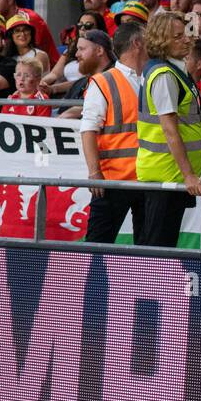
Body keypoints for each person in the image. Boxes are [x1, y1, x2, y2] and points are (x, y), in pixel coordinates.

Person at [136, 10, 201, 248]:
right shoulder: (164, 75)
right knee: (158, 247)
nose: (186, 39)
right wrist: (188, 174)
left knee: (164, 243)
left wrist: (190, 174)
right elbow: (170, 130)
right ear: (161, 41)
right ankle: (149, 286)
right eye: (178, 36)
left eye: (185, 34)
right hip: (166, 174)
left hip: (172, 173)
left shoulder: (175, 70)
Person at [81, 21, 147, 244]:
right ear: (137, 43)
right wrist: (94, 174)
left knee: (148, 252)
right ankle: (94, 281)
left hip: (147, 178)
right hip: (112, 181)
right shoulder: (103, 81)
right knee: (98, 246)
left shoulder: (152, 77)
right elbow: (88, 129)